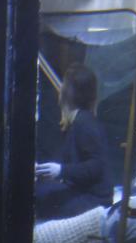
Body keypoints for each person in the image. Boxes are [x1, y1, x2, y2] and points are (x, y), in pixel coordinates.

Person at [34, 63, 113, 221]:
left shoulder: (84, 123)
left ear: (66, 93)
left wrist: (61, 171)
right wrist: (50, 171)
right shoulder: (80, 121)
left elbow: (97, 165)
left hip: (94, 201)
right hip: (88, 196)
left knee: (34, 196)